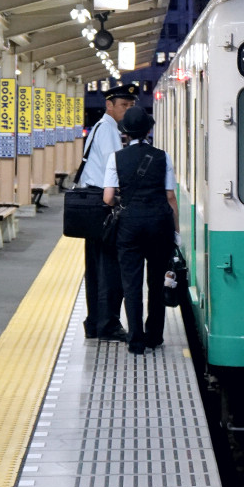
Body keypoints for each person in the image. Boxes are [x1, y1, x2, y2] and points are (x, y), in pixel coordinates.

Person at [103, 105, 178, 356]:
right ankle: (154, 336)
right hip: (159, 225)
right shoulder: (162, 156)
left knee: (131, 284)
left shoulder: (116, 158)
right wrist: (175, 231)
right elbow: (170, 196)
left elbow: (108, 197)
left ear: (125, 132)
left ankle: (135, 340)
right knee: (157, 282)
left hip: (129, 226)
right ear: (148, 130)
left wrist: (122, 204)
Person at [76, 82, 137, 343]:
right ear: (109, 105)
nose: (128, 110)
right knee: (109, 269)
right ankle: (107, 324)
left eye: (131, 106)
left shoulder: (103, 127)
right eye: (123, 105)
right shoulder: (109, 131)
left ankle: (95, 322)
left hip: (95, 203)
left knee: (97, 268)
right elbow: (116, 171)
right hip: (104, 206)